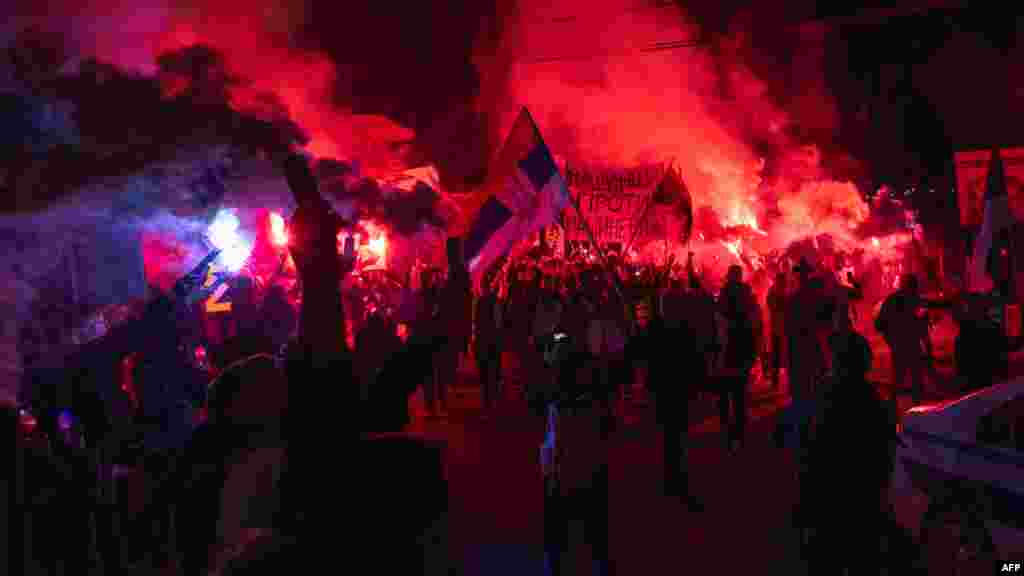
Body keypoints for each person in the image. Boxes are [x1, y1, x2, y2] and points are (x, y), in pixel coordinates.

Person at [717, 265, 760, 452]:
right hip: (743, 344)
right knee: (740, 389)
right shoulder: (746, 294)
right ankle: (740, 430)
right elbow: (753, 320)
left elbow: (719, 317)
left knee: (727, 386)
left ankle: (728, 428)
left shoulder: (725, 293)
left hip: (729, 346)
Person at [875, 274, 931, 404]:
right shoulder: (916, 301)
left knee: (899, 379)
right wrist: (928, 350)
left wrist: (890, 340)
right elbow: (923, 329)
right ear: (914, 286)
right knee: (915, 382)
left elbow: (879, 324)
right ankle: (916, 411)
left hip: (899, 346)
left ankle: (893, 408)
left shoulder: (892, 300)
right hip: (911, 346)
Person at [475, 272, 504, 415]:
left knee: (486, 372)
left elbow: (478, 323)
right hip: (493, 340)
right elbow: (498, 322)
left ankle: (488, 402)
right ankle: (493, 400)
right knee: (493, 371)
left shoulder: (481, 301)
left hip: (484, 340)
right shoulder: (495, 301)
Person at [766, 271, 787, 391]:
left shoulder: (786, 292)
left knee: (781, 355)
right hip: (777, 328)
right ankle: (775, 380)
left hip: (783, 328)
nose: (782, 283)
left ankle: (779, 381)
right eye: (781, 281)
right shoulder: (773, 292)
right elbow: (772, 305)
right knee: (776, 355)